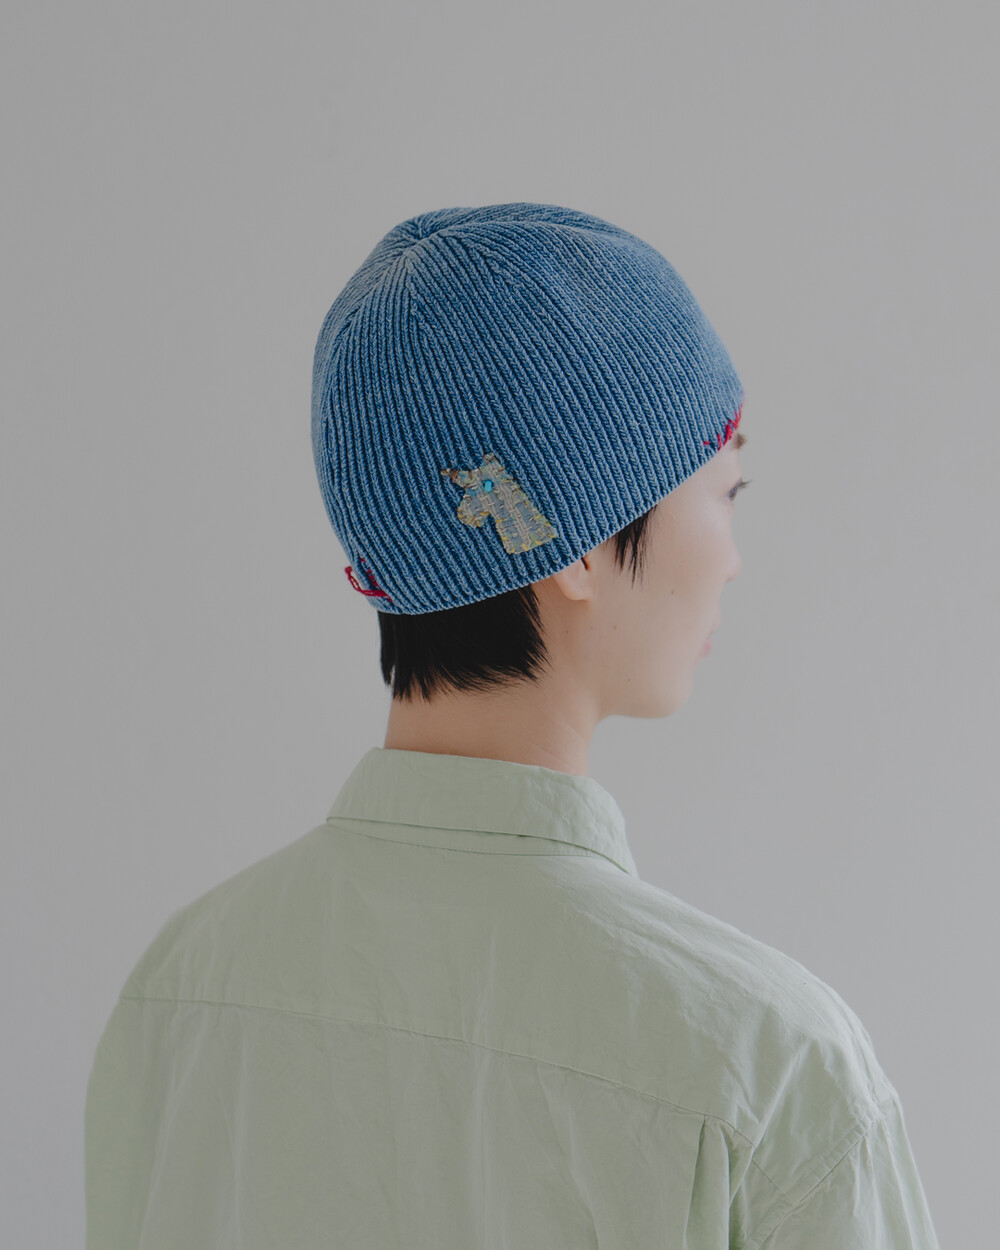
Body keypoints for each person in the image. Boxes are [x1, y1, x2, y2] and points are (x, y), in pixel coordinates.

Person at [85, 202, 940, 1247]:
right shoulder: (769, 1073)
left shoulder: (176, 998)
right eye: (727, 489)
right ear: (574, 545)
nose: (732, 558)